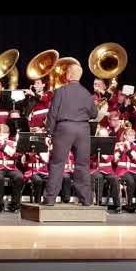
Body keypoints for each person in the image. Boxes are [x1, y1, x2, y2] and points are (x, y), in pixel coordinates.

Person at [43, 64, 97, 206]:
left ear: (69, 75)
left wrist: (48, 133)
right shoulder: (87, 93)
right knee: (83, 165)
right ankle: (86, 200)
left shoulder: (60, 91)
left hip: (64, 128)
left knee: (57, 163)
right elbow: (94, 114)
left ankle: (50, 199)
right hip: (83, 129)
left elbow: (52, 113)